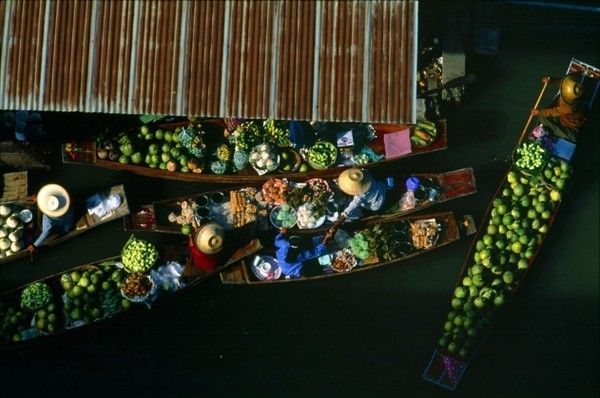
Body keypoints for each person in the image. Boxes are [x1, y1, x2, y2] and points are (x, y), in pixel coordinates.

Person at [323, 168, 387, 244]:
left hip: (375, 205)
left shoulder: (361, 196)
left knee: (353, 212)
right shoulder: (366, 175)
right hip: (381, 188)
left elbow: (348, 212)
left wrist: (335, 226)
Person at [531, 74, 585, 142]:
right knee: (545, 116)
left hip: (571, 126)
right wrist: (551, 80)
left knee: (543, 118)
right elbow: (562, 83)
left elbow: (554, 111)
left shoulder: (568, 107)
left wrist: (539, 112)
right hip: (563, 115)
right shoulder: (574, 88)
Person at [28, 184, 74, 252]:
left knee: (44, 230)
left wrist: (34, 245)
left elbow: (46, 232)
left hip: (63, 229)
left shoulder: (49, 219)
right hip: (68, 222)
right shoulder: (65, 202)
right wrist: (39, 199)